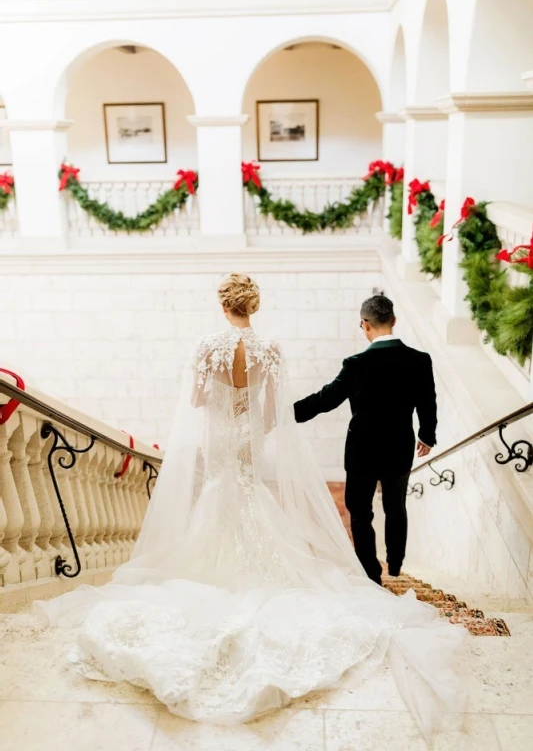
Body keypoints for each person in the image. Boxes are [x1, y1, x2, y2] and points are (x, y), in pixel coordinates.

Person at [35, 275, 465, 743]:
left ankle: (232, 562)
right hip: (254, 436)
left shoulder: (207, 346)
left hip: (221, 433)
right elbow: (273, 408)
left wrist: (223, 405)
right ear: (253, 305)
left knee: (227, 492)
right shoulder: (271, 350)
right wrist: (255, 424)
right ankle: (370, 567)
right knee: (262, 492)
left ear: (224, 305)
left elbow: (197, 400)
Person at [294, 295, 437, 586]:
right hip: (399, 446)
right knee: (396, 506)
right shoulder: (419, 360)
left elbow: (326, 399)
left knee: (360, 511)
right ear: (394, 321)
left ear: (364, 324)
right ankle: (395, 565)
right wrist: (427, 434)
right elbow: (427, 401)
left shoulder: (357, 364)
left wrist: (287, 413)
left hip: (362, 450)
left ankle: (371, 573)